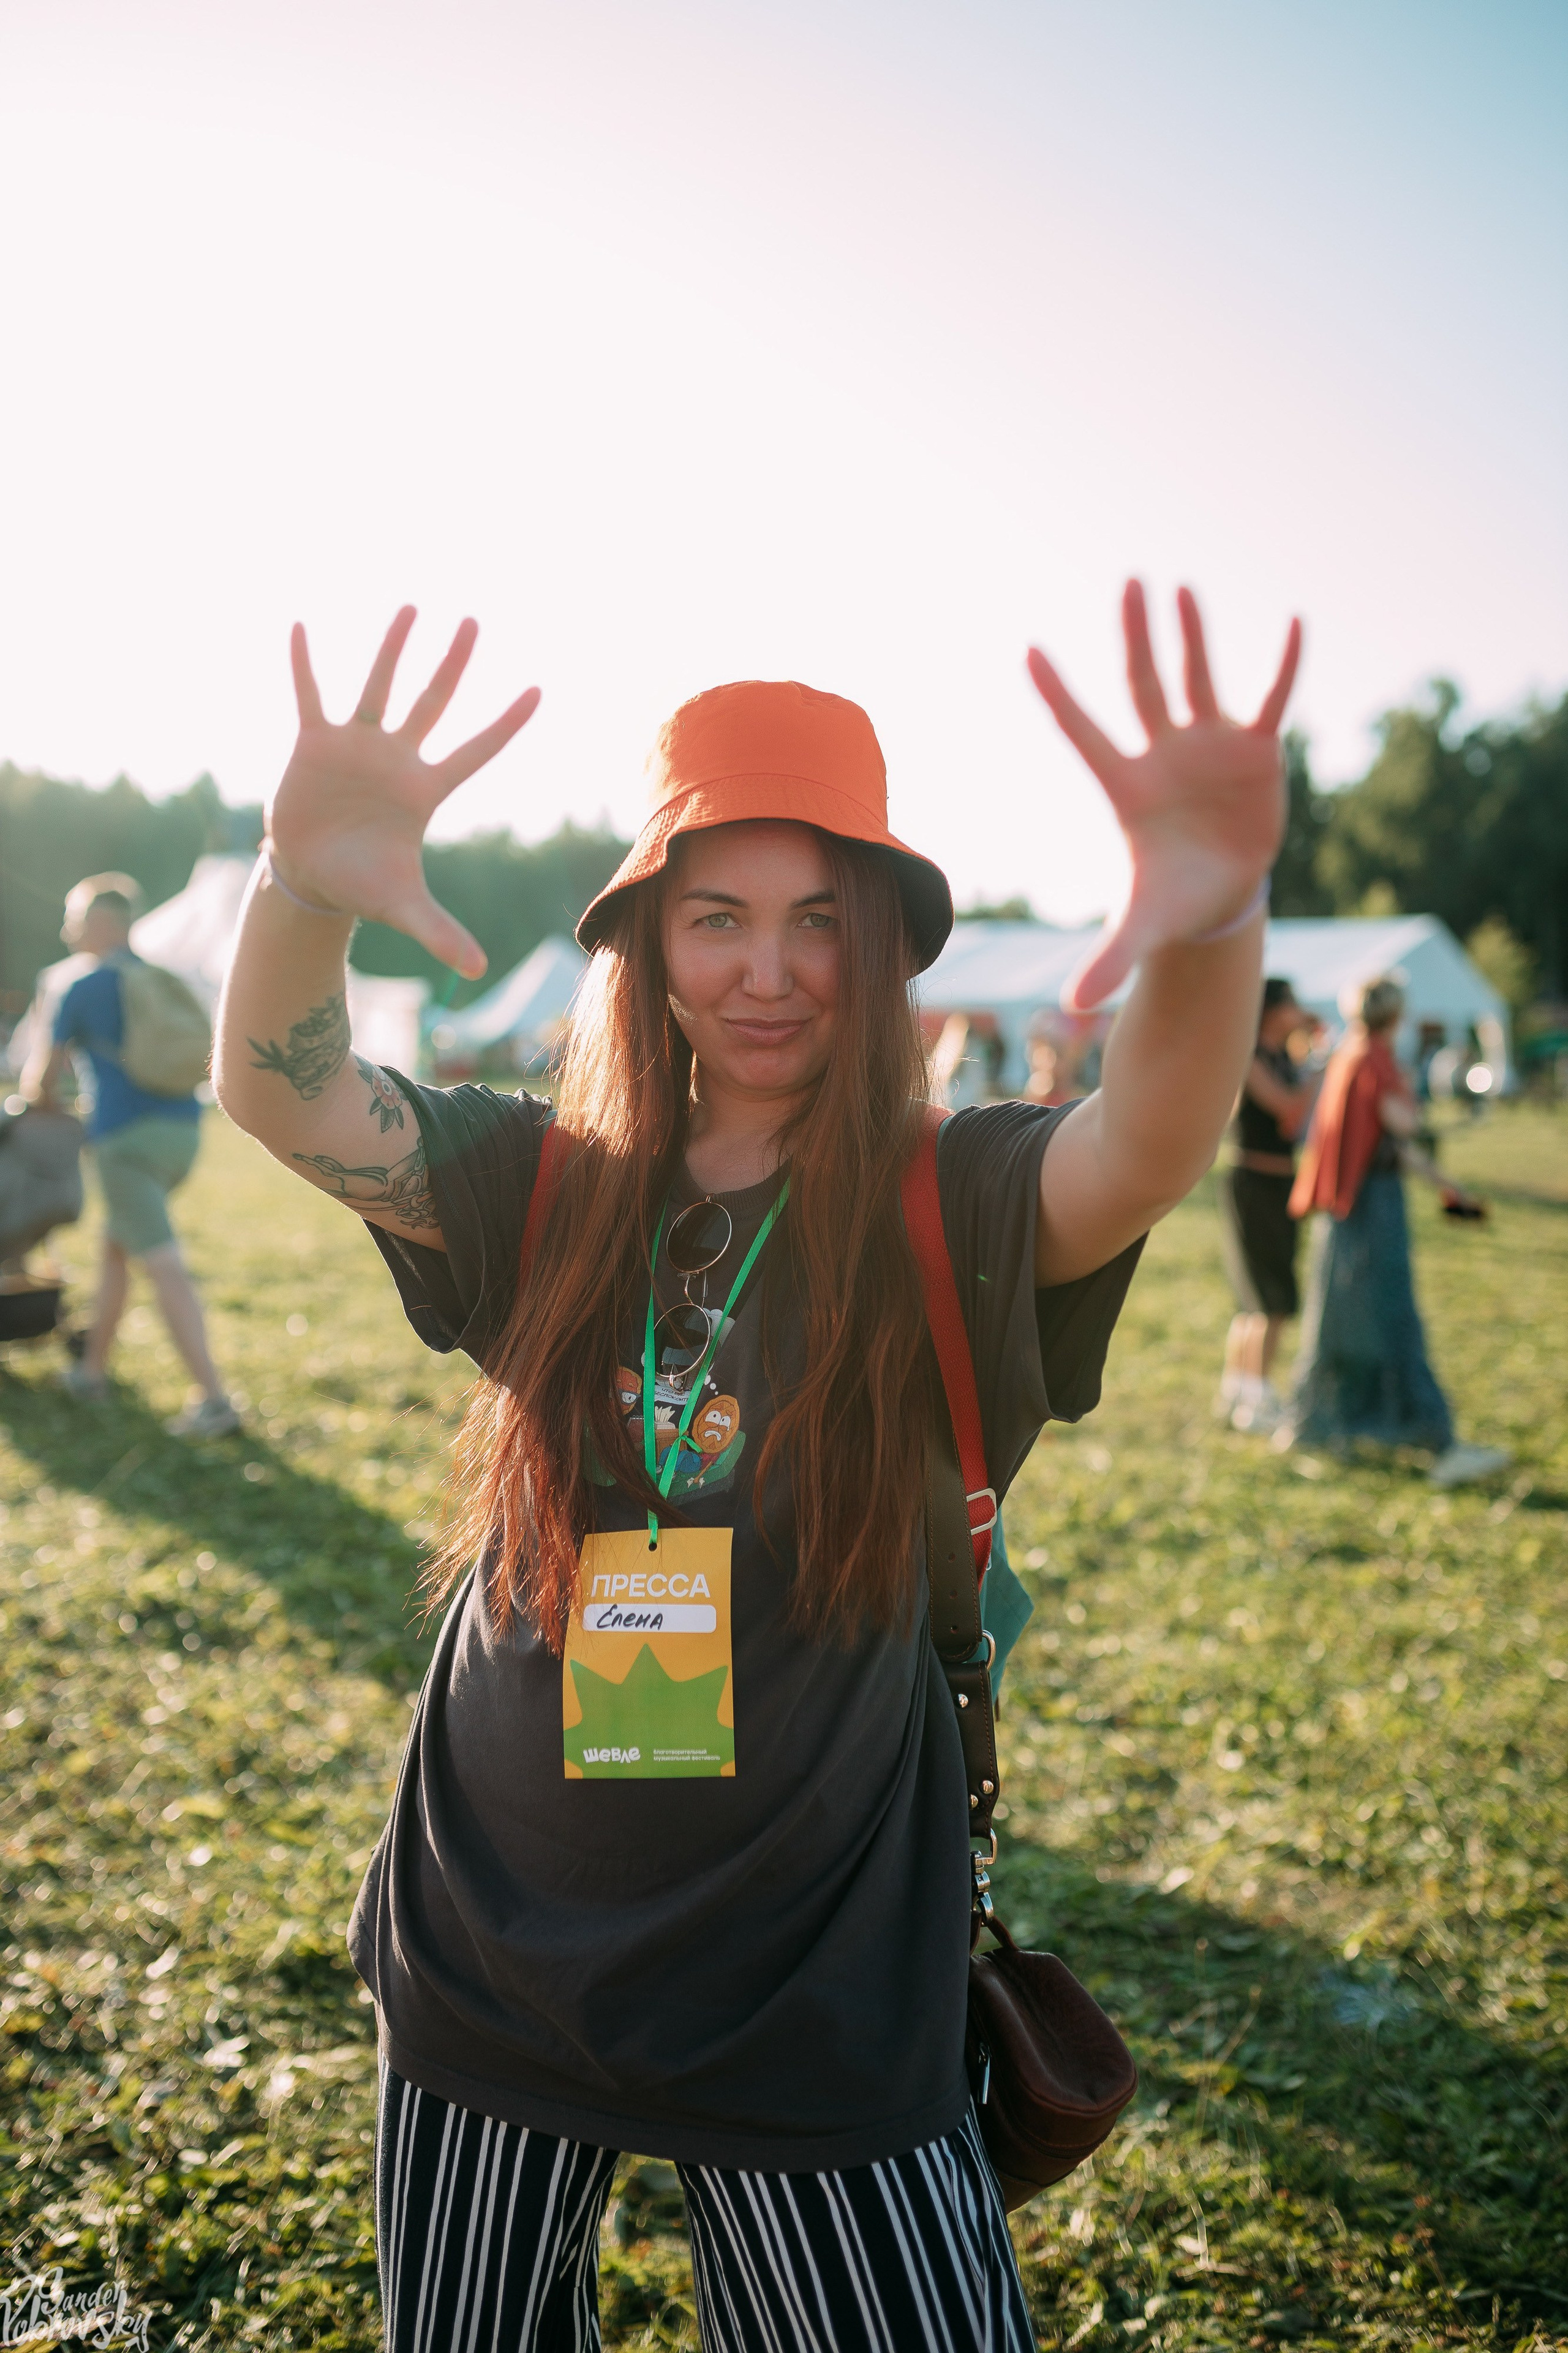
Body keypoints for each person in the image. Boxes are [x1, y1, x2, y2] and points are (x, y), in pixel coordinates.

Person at [213, 583, 1300, 2352]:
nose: (771, 969)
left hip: (819, 1989)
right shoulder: (540, 1186)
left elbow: (1152, 1137)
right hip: (489, 1946)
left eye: (819, 919)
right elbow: (290, 1092)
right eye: (717, 916)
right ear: (647, 939)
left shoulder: (956, 1199)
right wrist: (304, 892)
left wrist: (1212, 922)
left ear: (883, 946)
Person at [20, 874, 236, 1437]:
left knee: (161, 1261)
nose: (68, 930)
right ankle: (91, 1372)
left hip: (124, 1141)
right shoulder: (161, 977)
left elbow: (43, 1079)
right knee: (117, 1248)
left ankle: (214, 1401)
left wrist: (43, 1103)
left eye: (75, 918)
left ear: (101, 923)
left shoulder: (81, 987)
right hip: (183, 1134)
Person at [1276, 975, 1509, 1486]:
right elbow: (1401, 1127)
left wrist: (1449, 1187)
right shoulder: (1376, 1059)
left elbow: (1388, 1141)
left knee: (1337, 1320)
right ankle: (1436, 1441)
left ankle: (1313, 1423)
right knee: (1394, 1320)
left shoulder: (1348, 1051)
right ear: (1396, 1015)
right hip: (1372, 1211)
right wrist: (1430, 1121)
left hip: (1348, 1210)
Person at [1215, 975, 1321, 1431]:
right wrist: (1319, 1069)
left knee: (1256, 1298)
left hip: (1278, 1183)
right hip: (1255, 1181)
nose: (1300, 1010)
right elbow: (1287, 1110)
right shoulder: (1251, 1055)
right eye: (1292, 1003)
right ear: (1274, 1010)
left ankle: (1238, 1390)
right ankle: (1254, 1400)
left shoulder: (1281, 1054)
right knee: (1269, 1299)